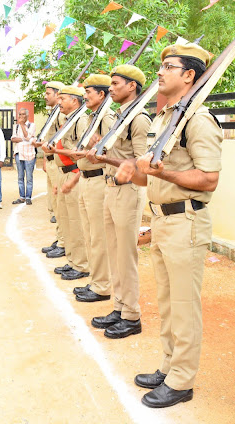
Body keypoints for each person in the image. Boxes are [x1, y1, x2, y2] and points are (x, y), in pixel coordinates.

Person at [116, 44, 222, 408]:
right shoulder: (166, 119)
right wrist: (138, 172)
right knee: (166, 302)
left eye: (168, 67)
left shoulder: (199, 119)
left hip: (186, 222)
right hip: (162, 221)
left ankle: (182, 380)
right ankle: (169, 365)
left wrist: (165, 172)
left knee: (183, 304)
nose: (159, 73)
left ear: (189, 75)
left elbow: (209, 179)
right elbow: (153, 180)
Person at [84, 66, 151, 329]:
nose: (110, 88)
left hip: (128, 190)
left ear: (131, 86)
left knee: (126, 255)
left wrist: (104, 157)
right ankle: (120, 307)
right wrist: (100, 144)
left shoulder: (140, 118)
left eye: (115, 83)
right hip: (112, 188)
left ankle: (132, 315)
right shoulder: (120, 116)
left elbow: (141, 162)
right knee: (114, 252)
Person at [57, 75, 118, 303]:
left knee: (99, 236)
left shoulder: (106, 117)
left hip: (99, 179)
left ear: (101, 95)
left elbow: (114, 149)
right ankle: (96, 280)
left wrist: (97, 143)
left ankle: (102, 285)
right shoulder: (93, 117)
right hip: (86, 178)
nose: (85, 96)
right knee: (90, 234)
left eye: (89, 92)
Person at [41, 86, 89, 281]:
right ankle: (73, 261)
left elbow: (82, 153)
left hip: (74, 173)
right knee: (68, 221)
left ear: (75, 101)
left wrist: (74, 176)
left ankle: (82, 264)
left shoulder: (81, 120)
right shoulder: (71, 120)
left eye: (63, 99)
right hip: (64, 173)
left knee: (76, 223)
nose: (59, 102)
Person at [41, 81, 67, 259]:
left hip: (59, 163)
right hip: (51, 162)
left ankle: (64, 242)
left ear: (57, 95)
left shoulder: (62, 115)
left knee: (61, 206)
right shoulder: (54, 113)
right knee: (54, 203)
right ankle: (60, 239)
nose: (45, 96)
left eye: (48, 93)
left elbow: (62, 139)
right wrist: (45, 158)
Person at [11, 108, 37, 205]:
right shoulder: (16, 127)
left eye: (22, 115)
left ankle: (28, 197)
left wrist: (22, 125)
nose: (20, 117)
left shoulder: (32, 125)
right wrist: (24, 139)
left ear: (27, 115)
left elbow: (28, 137)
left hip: (29, 154)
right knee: (20, 176)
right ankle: (22, 197)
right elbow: (13, 138)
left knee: (29, 177)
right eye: (19, 115)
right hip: (19, 153)